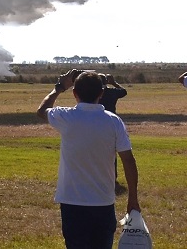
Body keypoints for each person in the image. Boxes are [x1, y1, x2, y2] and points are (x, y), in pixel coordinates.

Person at [38, 70, 140, 249]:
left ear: (75, 94)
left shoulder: (66, 116)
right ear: (101, 93)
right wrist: (133, 198)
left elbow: (42, 110)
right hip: (103, 202)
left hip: (72, 202)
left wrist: (59, 88)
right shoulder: (114, 121)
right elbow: (128, 161)